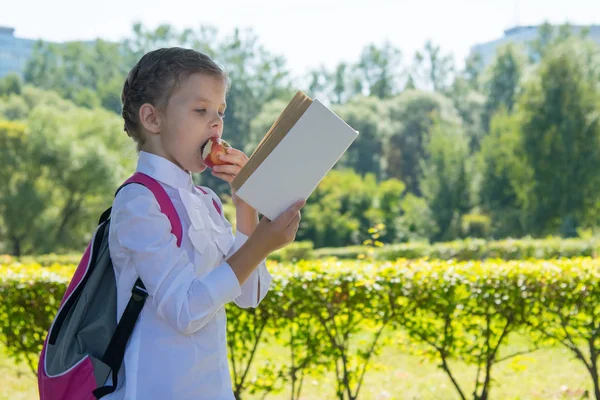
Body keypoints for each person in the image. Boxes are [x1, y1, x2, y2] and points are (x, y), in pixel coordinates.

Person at [105, 47, 304, 399]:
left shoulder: (207, 201)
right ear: (152, 119)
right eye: (200, 110)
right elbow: (185, 310)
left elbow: (249, 294)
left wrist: (246, 205)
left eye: (220, 112)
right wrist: (262, 242)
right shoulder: (139, 201)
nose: (215, 124)